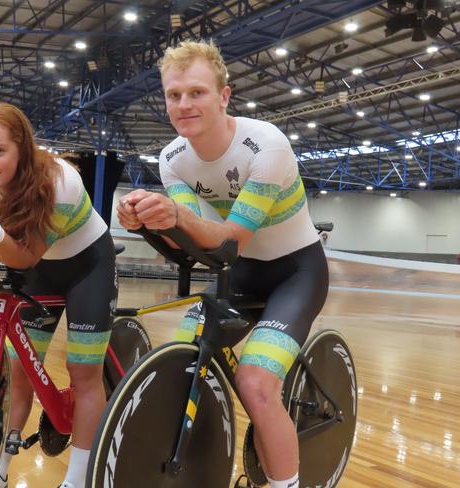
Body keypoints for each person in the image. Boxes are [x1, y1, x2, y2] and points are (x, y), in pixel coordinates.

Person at [117, 40, 328, 488]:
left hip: (295, 272)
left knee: (255, 383)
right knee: (183, 360)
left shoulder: (265, 145)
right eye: (174, 95)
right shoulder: (172, 159)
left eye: (197, 92)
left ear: (224, 96)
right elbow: (190, 243)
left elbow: (230, 238)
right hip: (239, 272)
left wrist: (177, 217)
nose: (184, 104)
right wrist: (146, 225)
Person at [0, 102, 116, 488]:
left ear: (22, 148)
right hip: (38, 267)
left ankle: (78, 480)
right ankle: (0, 469)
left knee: (84, 373)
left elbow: (23, 257)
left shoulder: (59, 181)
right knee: (20, 374)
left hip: (86, 264)